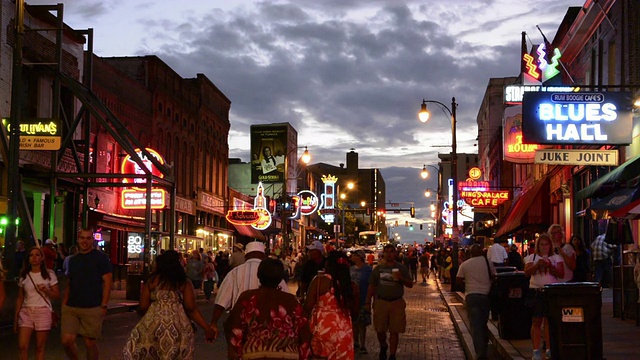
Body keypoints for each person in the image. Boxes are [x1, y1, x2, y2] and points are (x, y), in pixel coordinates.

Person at [123, 250, 214, 359]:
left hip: (153, 326)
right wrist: (206, 328)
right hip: (178, 327)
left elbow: (143, 306)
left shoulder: (152, 281)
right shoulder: (183, 282)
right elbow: (191, 308)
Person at [225, 258, 311, 359]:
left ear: (258, 275)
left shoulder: (247, 299)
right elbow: (304, 333)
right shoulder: (291, 301)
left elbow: (234, 329)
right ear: (281, 278)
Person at [209, 241, 288, 339]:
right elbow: (286, 302)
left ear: (246, 256)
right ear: (263, 256)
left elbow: (221, 302)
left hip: (242, 327)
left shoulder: (235, 273)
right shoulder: (273, 272)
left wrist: (213, 323)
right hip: (270, 328)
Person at [61, 228, 113, 360]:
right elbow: (70, 283)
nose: (85, 241)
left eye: (88, 238)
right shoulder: (73, 260)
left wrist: (104, 305)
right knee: (67, 340)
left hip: (92, 306)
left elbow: (107, 282)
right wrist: (64, 303)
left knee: (89, 342)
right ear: (78, 240)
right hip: (72, 306)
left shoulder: (101, 258)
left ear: (92, 240)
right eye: (82, 238)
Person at [304, 251, 358, 360]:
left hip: (321, 327)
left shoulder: (319, 281)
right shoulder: (351, 286)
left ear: (328, 264)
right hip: (343, 330)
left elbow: (307, 307)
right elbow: (355, 311)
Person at [366, 244, 413, 360]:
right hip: (381, 301)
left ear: (395, 253)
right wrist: (367, 302)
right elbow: (372, 286)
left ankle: (392, 355)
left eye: (391, 252)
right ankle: (383, 345)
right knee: (380, 329)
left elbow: (410, 284)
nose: (389, 254)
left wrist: (401, 278)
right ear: (384, 253)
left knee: (394, 330)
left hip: (396, 302)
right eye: (387, 252)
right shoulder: (378, 269)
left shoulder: (401, 268)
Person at [15, 246, 61, 360]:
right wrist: (16, 317)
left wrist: (47, 290)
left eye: (37, 255)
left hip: (43, 310)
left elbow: (57, 294)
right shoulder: (24, 275)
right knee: (22, 346)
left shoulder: (49, 274)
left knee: (40, 347)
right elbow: (20, 297)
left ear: (42, 258)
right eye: (31, 255)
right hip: (26, 311)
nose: (34, 258)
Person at [524, 233, 564, 360]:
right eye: (541, 244)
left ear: (550, 245)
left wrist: (550, 266)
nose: (544, 247)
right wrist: (537, 265)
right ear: (538, 246)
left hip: (550, 292)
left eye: (546, 244)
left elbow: (561, 274)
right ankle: (536, 350)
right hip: (536, 291)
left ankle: (548, 348)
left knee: (549, 321)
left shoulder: (556, 258)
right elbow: (526, 272)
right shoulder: (532, 257)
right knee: (536, 321)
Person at [456, 244, 495, 360]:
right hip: (485, 296)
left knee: (475, 325)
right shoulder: (488, 263)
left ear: (471, 253)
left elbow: (458, 279)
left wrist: (465, 286)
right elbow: (494, 276)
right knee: (483, 322)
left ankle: (480, 352)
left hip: (471, 296)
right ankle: (484, 345)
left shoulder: (465, 264)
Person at [350, 250, 373, 354]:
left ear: (359, 257)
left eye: (354, 255)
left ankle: (363, 344)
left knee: (362, 324)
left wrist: (370, 300)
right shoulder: (350, 269)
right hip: (353, 300)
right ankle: (355, 342)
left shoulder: (367, 270)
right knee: (354, 323)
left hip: (363, 299)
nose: (352, 257)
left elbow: (371, 285)